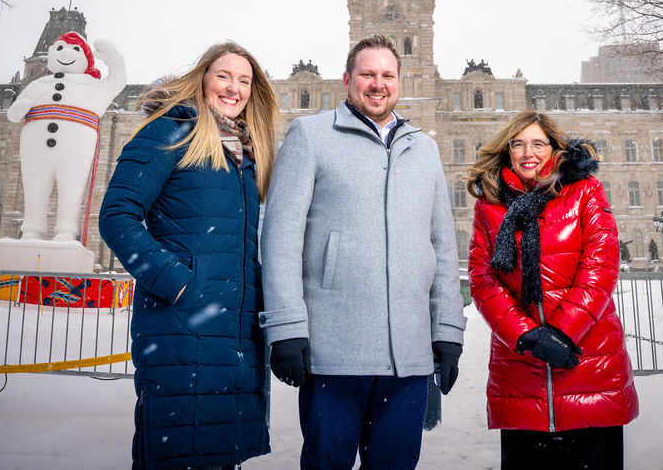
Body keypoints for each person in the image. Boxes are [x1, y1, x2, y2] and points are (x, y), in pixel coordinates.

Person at [259, 34, 467, 470]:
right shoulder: (310, 136)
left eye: (387, 75)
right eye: (367, 74)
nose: (378, 84)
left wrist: (447, 330)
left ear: (399, 81)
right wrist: (285, 327)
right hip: (334, 350)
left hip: (408, 356)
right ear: (347, 79)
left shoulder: (424, 148)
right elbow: (281, 238)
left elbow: (443, 248)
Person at [98, 41, 277, 469]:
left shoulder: (246, 154)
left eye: (244, 80)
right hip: (182, 323)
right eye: (223, 76)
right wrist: (177, 282)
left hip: (234, 335)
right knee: (179, 450)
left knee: (216, 450)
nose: (233, 88)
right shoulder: (172, 129)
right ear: (203, 79)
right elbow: (117, 216)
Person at [467, 111, 639, 470]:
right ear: (507, 151)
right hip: (521, 371)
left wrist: (561, 332)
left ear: (554, 149)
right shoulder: (490, 204)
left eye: (538, 144)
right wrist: (528, 336)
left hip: (587, 365)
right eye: (518, 144)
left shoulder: (584, 190)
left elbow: (601, 264)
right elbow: (483, 279)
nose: (528, 152)